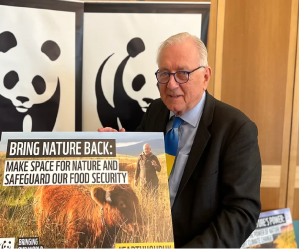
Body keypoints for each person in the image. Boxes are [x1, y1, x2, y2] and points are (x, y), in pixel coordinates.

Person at [98, 32, 261, 248]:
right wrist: (118, 143)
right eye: (164, 74)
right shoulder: (156, 110)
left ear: (205, 77)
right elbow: (140, 159)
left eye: (183, 74)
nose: (172, 84)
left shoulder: (236, 130)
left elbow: (242, 213)